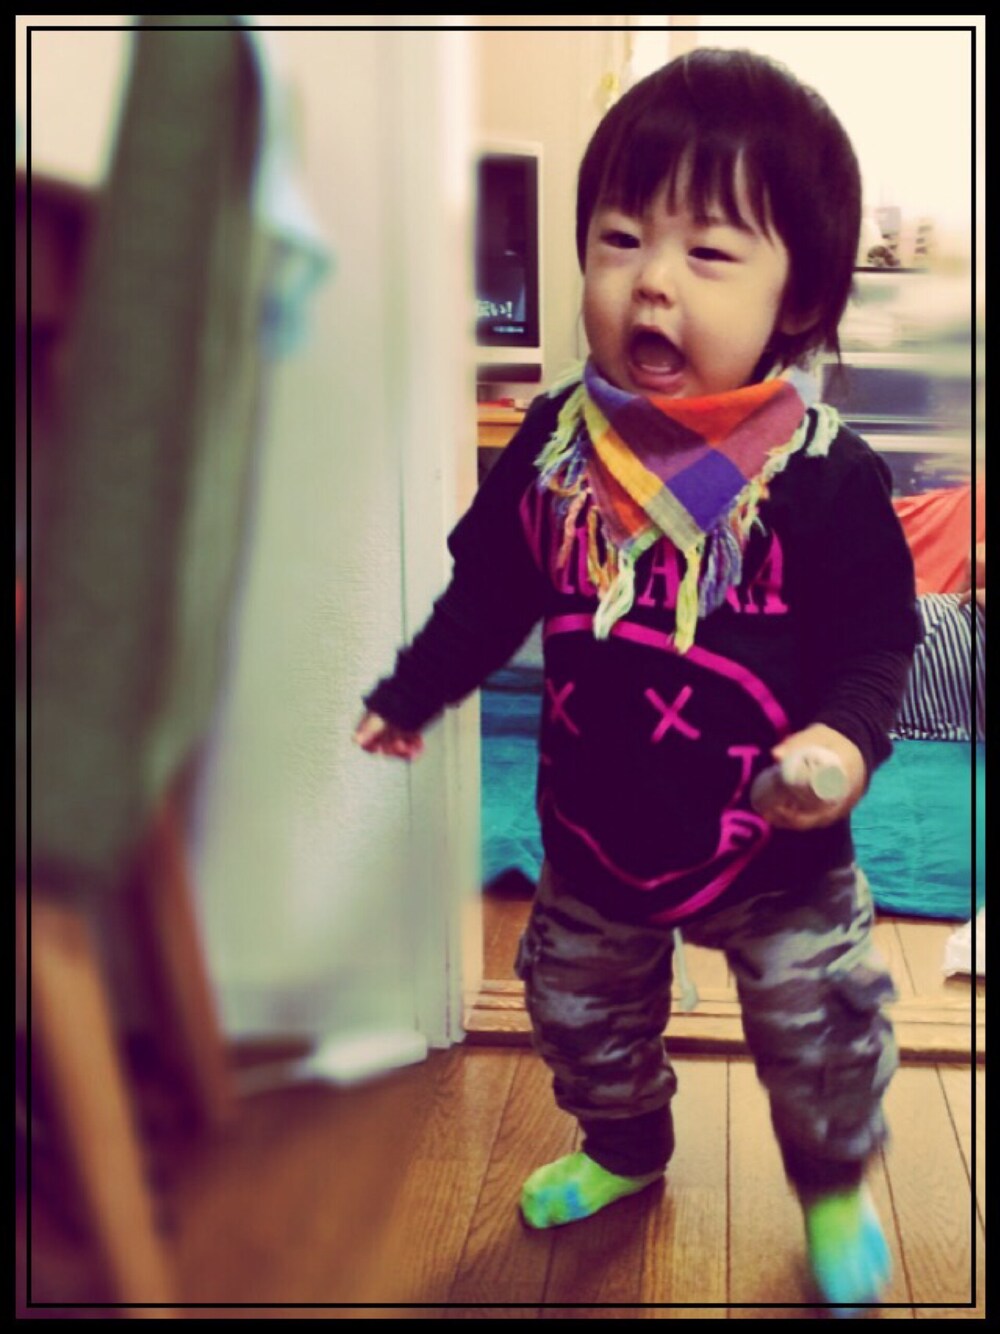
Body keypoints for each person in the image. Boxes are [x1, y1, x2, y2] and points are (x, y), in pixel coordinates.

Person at [355, 48, 920, 1310]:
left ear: (797, 294)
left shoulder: (821, 476)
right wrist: (413, 688)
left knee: (823, 1031)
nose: (652, 280)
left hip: (778, 849)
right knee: (577, 1012)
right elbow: (487, 594)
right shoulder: (557, 451)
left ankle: (833, 1185)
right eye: (620, 240)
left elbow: (878, 640)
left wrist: (841, 739)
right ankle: (624, 1148)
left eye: (708, 252)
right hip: (595, 836)